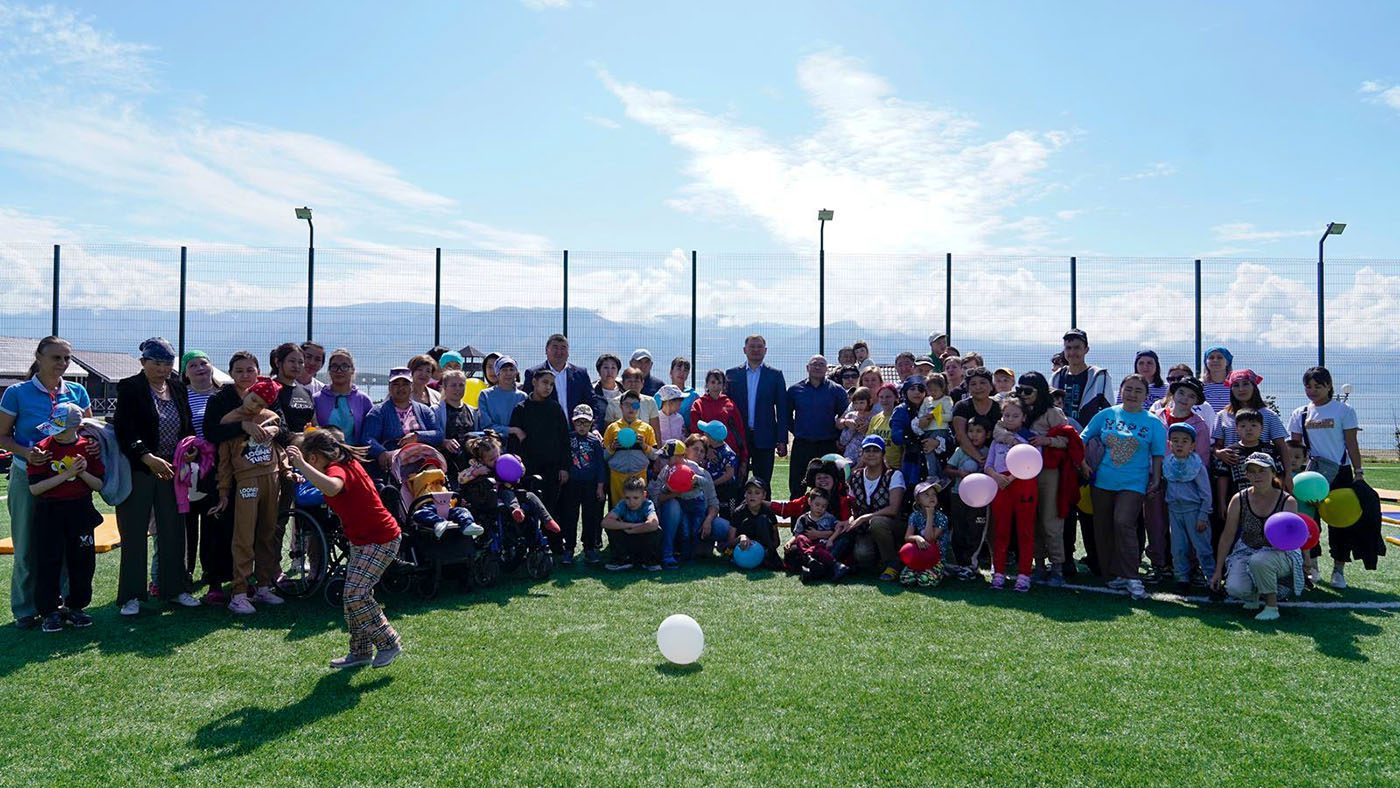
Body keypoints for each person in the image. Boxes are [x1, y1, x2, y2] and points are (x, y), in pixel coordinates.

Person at [288, 430, 403, 668]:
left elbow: (332, 487)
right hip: (364, 540)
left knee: (355, 594)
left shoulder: (337, 468)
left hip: (380, 539)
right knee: (352, 597)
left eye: (309, 460)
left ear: (314, 457)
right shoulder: (343, 461)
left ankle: (388, 642)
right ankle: (360, 652)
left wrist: (301, 465)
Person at [0, 336, 92, 629]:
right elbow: (2, 436)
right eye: (56, 357)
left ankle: (62, 605)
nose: (63, 363)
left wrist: (91, 445)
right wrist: (27, 453)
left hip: (70, 482)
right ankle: (25, 609)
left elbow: (89, 432)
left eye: (67, 358)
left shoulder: (77, 391)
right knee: (26, 546)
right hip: (27, 477)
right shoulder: (16, 393)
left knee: (67, 546)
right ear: (38, 357)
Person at [113, 338, 200, 614]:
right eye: (157, 363)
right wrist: (147, 457)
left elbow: (187, 426)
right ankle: (131, 596)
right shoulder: (130, 387)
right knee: (134, 533)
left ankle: (175, 589)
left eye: (168, 364)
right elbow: (124, 429)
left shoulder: (177, 387)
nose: (163, 369)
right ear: (143, 362)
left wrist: (190, 449)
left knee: (173, 531)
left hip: (172, 470)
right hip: (140, 469)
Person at [1289, 366, 1382, 588]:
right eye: (1308, 387)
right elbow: (1295, 447)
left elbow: (1351, 443)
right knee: (1309, 521)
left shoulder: (1343, 410)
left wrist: (1358, 472)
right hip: (1310, 476)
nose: (1312, 391)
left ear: (1329, 386)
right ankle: (1312, 566)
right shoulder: (1300, 413)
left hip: (1340, 473)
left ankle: (1338, 569)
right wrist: (1294, 474)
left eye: (1318, 386)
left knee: (1340, 521)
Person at [1079, 374, 1166, 601]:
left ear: (1146, 396)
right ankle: (1112, 574)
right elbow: (1082, 438)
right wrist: (1083, 463)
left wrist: (1156, 479)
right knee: (1103, 527)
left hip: (1134, 483)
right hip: (1102, 481)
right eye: (1128, 389)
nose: (1132, 394)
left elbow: (1158, 455)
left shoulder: (1153, 422)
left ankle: (1132, 576)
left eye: (1138, 390)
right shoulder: (1107, 414)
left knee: (1123, 522)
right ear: (1121, 390)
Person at [211, 377, 290, 615]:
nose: (255, 406)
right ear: (247, 393)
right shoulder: (229, 420)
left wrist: (286, 470)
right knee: (244, 536)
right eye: (253, 399)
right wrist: (223, 492)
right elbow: (224, 462)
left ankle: (264, 586)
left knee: (268, 533)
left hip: (272, 480)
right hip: (247, 482)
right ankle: (239, 592)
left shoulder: (271, 418)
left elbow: (279, 449)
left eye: (261, 404)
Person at [27, 403, 104, 632]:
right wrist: (68, 474)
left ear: (76, 427)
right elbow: (35, 488)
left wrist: (82, 472)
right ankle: (49, 611)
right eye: (53, 427)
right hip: (49, 511)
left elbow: (99, 484)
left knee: (82, 561)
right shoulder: (42, 449)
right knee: (48, 561)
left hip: (80, 510)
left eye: (60, 429)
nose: (55, 433)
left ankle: (76, 607)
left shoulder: (87, 447)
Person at [1210, 453, 1302, 621]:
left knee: (1260, 560)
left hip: (1280, 553)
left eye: (1262, 470)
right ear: (1246, 475)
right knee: (1235, 588)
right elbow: (1227, 536)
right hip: (1247, 549)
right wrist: (1218, 571)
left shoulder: (1288, 501)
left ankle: (1272, 606)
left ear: (1273, 472)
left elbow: (1292, 539)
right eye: (1252, 471)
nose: (1257, 475)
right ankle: (1254, 594)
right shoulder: (1239, 499)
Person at [1012, 372, 1072, 586]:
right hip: (1023, 473)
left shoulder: (1053, 412)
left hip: (1048, 472)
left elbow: (1068, 440)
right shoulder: (1016, 409)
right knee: (1031, 519)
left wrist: (1047, 440)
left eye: (1027, 391)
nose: (1022, 394)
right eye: (1019, 390)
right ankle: (1038, 565)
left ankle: (1057, 567)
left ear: (1041, 391)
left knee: (1049, 520)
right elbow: (1002, 428)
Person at [508, 370, 570, 555]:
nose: (548, 387)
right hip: (528, 469)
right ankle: (529, 547)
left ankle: (555, 546)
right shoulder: (521, 408)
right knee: (529, 507)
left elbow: (564, 439)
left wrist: (564, 467)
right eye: (544, 382)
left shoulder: (555, 408)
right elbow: (514, 442)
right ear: (534, 382)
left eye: (551, 384)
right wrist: (516, 468)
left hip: (552, 468)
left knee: (551, 507)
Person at [833, 435, 905, 582]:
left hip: (892, 525)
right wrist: (850, 520)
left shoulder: (894, 475)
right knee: (862, 554)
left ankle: (892, 564)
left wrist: (865, 517)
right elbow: (853, 509)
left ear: (883, 454)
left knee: (877, 522)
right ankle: (880, 558)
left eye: (876, 450)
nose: (871, 454)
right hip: (865, 529)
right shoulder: (855, 476)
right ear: (862, 453)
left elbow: (893, 509)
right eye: (867, 450)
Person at [180, 350, 223, 589]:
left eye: (203, 363)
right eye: (193, 365)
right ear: (185, 373)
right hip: (188, 469)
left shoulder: (223, 395)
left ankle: (210, 570)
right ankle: (185, 570)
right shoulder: (179, 396)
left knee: (211, 521)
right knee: (187, 522)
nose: (199, 368)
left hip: (216, 469)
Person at [1211, 370, 1291, 492]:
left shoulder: (1269, 415)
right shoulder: (1222, 415)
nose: (1241, 389)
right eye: (1236, 385)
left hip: (1263, 476)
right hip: (1233, 476)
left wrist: (1288, 475)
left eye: (1245, 384)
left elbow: (1281, 446)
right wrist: (1219, 453)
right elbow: (1217, 445)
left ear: (1254, 386)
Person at [986, 399, 1037, 591]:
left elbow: (1034, 462)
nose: (1010, 419)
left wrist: (1013, 476)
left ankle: (1024, 575)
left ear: (1024, 417)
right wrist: (997, 476)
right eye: (1006, 415)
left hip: (1024, 486)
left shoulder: (1030, 439)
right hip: (1001, 487)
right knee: (1001, 531)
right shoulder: (997, 440)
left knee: (1025, 531)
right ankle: (999, 572)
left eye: (1015, 416)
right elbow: (988, 465)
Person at [725, 335, 788, 487]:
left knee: (763, 482)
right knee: (737, 482)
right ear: (744, 350)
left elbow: (782, 410)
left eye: (759, 347)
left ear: (765, 350)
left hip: (765, 438)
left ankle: (765, 504)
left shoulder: (775, 375)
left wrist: (782, 439)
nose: (755, 350)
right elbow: (725, 408)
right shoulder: (732, 374)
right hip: (738, 437)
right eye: (752, 346)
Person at [784, 355, 849, 499]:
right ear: (807, 368)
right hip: (802, 445)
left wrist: (839, 438)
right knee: (797, 486)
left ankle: (829, 514)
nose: (817, 367)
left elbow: (845, 415)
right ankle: (798, 514)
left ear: (826, 369)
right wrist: (798, 430)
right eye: (814, 364)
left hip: (828, 446)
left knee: (830, 487)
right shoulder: (795, 390)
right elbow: (786, 416)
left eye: (821, 364)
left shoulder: (836, 390)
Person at [1163, 423, 1214, 595]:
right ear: (1169, 444)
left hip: (1194, 512)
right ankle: (1182, 578)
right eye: (1175, 440)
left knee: (1202, 548)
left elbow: (1206, 493)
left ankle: (1212, 580)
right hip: (1174, 511)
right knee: (1178, 548)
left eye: (1184, 441)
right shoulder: (1168, 463)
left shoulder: (1196, 465)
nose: (1179, 444)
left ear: (1192, 445)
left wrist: (1203, 515)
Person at [362, 368, 440, 473]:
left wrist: (417, 436)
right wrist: (381, 453)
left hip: (424, 465)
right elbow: (367, 438)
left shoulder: (424, 411)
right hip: (393, 467)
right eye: (396, 384)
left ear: (411, 387)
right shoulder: (378, 412)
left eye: (405, 384)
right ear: (389, 387)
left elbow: (438, 434)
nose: (401, 388)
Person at [559, 405, 607, 566]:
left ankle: (589, 547)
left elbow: (600, 465)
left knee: (590, 516)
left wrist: (600, 486)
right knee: (570, 515)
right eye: (579, 422)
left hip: (590, 484)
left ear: (591, 423)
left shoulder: (595, 441)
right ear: (573, 422)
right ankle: (569, 548)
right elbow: (562, 458)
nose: (582, 426)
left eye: (586, 423)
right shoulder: (568, 438)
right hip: (572, 484)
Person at [944, 416, 992, 578]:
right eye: (970, 431)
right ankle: (960, 563)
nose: (974, 435)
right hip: (958, 495)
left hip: (980, 499)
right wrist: (960, 473)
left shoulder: (989, 452)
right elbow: (947, 469)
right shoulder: (960, 451)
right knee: (959, 530)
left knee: (975, 530)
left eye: (978, 431)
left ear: (988, 434)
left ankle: (971, 564)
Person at [603, 390, 657, 505]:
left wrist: (644, 446)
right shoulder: (612, 428)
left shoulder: (646, 428)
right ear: (621, 407)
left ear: (639, 407)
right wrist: (612, 447)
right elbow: (603, 457)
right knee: (618, 509)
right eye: (627, 404)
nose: (631, 408)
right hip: (617, 476)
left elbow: (654, 456)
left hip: (639, 476)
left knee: (638, 508)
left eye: (635, 405)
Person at [523, 333, 594, 419]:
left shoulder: (581, 374)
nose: (559, 352)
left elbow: (592, 401)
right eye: (555, 347)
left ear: (568, 352)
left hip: (576, 426)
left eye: (563, 348)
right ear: (546, 350)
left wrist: (593, 425)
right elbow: (527, 404)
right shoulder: (533, 374)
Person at [1052, 329, 1112, 428]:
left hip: (1090, 434)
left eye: (1077, 348)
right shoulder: (1057, 377)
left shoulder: (1099, 376)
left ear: (1086, 350)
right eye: (1068, 348)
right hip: (1061, 433)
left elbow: (1109, 411)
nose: (1072, 352)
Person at [690, 369, 747, 472]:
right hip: (708, 458)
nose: (715, 386)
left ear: (723, 385)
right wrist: (707, 450)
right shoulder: (698, 404)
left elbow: (740, 430)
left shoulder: (730, 404)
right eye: (712, 382)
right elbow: (695, 431)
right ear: (707, 384)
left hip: (730, 456)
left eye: (719, 383)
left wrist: (744, 457)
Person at [601, 477, 663, 572]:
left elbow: (654, 523)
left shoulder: (647, 504)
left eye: (635, 498)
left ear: (644, 495)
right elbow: (605, 522)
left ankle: (650, 561)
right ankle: (622, 560)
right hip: (627, 540)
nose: (631, 502)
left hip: (642, 540)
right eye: (627, 498)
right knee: (612, 528)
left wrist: (633, 530)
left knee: (657, 530)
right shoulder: (622, 504)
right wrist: (631, 525)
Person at [313, 348, 373, 444]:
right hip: (325, 452)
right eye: (334, 366)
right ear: (329, 370)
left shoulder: (364, 400)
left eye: (344, 366)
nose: (339, 370)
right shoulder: (316, 399)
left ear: (352, 370)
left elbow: (370, 435)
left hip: (356, 452)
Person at [783, 487, 843, 583]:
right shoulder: (803, 518)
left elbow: (838, 528)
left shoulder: (829, 518)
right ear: (810, 502)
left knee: (818, 549)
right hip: (807, 544)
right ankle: (809, 560)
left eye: (823, 506)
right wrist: (789, 542)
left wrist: (831, 539)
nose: (820, 508)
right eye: (817, 505)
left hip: (821, 545)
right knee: (800, 539)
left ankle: (818, 565)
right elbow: (797, 534)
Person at [724, 476, 781, 569]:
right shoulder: (738, 512)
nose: (752, 496)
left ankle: (767, 558)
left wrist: (764, 548)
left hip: (763, 549)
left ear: (764, 496)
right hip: (743, 550)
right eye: (749, 492)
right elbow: (730, 542)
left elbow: (776, 541)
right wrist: (741, 537)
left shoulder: (769, 512)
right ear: (745, 494)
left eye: (757, 493)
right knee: (747, 522)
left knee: (762, 520)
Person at [900, 479, 948, 587]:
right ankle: (919, 570)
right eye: (926, 494)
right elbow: (907, 537)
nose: (931, 497)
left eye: (934, 494)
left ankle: (935, 572)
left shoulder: (941, 517)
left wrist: (930, 515)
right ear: (918, 500)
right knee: (906, 579)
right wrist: (917, 538)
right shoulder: (914, 516)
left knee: (924, 581)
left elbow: (930, 538)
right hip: (919, 555)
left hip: (936, 558)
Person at [951, 367, 1001, 466]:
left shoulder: (999, 407)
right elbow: (960, 435)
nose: (978, 387)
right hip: (966, 456)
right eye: (973, 384)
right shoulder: (961, 406)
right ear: (968, 388)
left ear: (991, 386)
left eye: (983, 383)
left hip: (994, 456)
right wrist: (980, 459)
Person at [435, 369, 478, 480]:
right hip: (446, 465)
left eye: (461, 385)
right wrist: (444, 442)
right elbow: (431, 436)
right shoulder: (436, 411)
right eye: (453, 385)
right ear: (445, 387)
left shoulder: (473, 412)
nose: (458, 389)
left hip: (470, 466)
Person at [890, 376, 929, 488]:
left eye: (921, 389)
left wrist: (937, 442)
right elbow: (896, 437)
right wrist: (914, 429)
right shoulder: (901, 410)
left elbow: (946, 432)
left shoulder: (932, 407)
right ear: (905, 392)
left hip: (932, 459)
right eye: (912, 389)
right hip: (912, 462)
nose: (917, 392)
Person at [269, 342, 316, 432]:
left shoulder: (306, 393)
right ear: (278, 362)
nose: (296, 366)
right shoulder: (269, 389)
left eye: (301, 362)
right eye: (292, 361)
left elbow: (314, 423)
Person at [476, 356, 525, 435]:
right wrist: (511, 430)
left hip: (517, 441)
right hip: (492, 440)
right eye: (504, 370)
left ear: (516, 373)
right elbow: (486, 425)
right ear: (497, 373)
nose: (508, 373)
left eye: (511, 369)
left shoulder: (522, 397)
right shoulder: (485, 395)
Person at [655, 357, 700, 432]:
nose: (682, 373)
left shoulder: (693, 396)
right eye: (679, 369)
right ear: (671, 372)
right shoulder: (660, 395)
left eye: (685, 370)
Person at [866, 383, 903, 470]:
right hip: (876, 467)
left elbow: (904, 448)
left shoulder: (900, 418)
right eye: (881, 397)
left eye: (888, 397)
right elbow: (867, 444)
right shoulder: (875, 418)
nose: (884, 400)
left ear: (896, 398)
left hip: (895, 467)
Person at [837, 386, 874, 465]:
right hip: (849, 455)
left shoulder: (873, 418)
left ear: (869, 402)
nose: (858, 406)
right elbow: (843, 441)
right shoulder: (850, 416)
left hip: (866, 456)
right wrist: (851, 427)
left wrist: (867, 430)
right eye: (855, 403)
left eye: (861, 403)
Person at [620, 365, 662, 433]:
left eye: (636, 381)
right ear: (623, 383)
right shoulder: (614, 403)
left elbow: (656, 430)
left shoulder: (650, 402)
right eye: (629, 381)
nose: (633, 384)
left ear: (642, 383)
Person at [591, 352, 625, 424]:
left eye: (613, 368)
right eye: (606, 367)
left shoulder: (624, 390)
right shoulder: (591, 391)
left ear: (618, 372)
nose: (610, 371)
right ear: (599, 371)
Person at [1201, 346, 1233, 414]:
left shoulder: (1235, 385)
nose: (1215, 360)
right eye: (1211, 358)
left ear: (1227, 362)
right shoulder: (1200, 385)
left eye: (1219, 357)